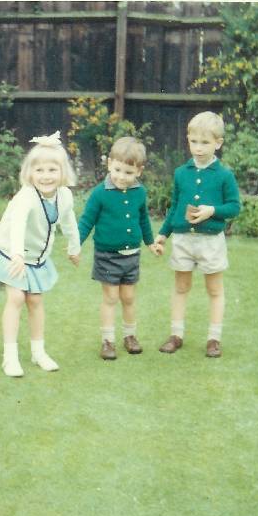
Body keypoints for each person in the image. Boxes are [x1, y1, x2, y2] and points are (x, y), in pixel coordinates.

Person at [0, 131, 81, 377]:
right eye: (39, 170)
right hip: (11, 252)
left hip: (37, 257)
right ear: (30, 173)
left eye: (52, 170)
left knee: (36, 301)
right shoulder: (26, 197)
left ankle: (38, 352)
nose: (46, 176)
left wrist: (74, 247)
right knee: (16, 298)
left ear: (62, 172)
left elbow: (69, 222)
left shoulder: (65, 196)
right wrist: (17, 255)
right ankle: (10, 358)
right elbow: (18, 224)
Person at [154, 111, 241, 358]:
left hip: (211, 242)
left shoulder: (224, 175)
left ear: (218, 143)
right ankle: (176, 335)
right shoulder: (181, 173)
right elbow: (175, 206)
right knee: (181, 287)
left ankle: (214, 339)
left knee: (214, 290)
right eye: (194, 141)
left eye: (205, 142)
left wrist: (212, 211)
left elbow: (235, 207)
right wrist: (163, 234)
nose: (199, 148)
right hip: (183, 240)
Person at [77, 137, 163, 361]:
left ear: (139, 171)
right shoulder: (99, 193)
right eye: (117, 170)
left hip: (131, 255)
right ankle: (107, 341)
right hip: (107, 256)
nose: (121, 177)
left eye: (128, 172)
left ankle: (130, 336)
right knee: (110, 297)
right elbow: (86, 221)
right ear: (109, 164)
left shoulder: (140, 193)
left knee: (128, 297)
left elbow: (143, 219)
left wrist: (150, 243)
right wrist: (75, 244)